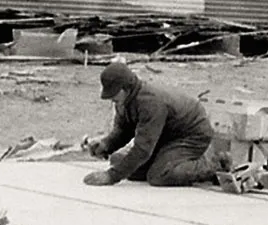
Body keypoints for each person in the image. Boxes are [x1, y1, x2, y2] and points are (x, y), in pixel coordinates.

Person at [81, 61, 226, 187]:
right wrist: (107, 145)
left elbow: (143, 148)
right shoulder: (124, 101)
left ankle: (215, 164)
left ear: (126, 88)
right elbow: (124, 131)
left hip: (191, 135)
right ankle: (167, 162)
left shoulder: (150, 103)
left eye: (114, 93)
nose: (111, 98)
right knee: (119, 161)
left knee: (160, 175)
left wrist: (111, 177)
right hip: (165, 135)